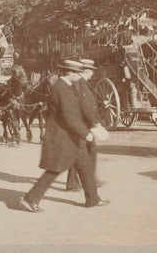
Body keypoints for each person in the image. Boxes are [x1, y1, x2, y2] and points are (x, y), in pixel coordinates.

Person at [20, 60, 109, 213]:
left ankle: (93, 199)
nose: (79, 74)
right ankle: (30, 199)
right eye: (77, 72)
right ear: (70, 73)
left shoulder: (67, 87)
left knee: (85, 167)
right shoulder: (62, 89)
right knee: (54, 169)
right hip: (63, 137)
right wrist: (86, 133)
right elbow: (70, 117)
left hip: (71, 137)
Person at [66, 59, 104, 191]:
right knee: (89, 150)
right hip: (83, 124)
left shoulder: (81, 83)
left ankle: (75, 182)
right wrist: (95, 122)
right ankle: (83, 180)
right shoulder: (81, 83)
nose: (93, 74)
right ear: (87, 71)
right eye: (92, 71)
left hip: (83, 123)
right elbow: (86, 105)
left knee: (81, 151)